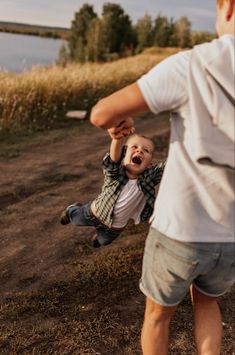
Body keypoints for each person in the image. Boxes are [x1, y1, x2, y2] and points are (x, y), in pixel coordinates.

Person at [89, 0, 235, 353]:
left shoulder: (193, 65)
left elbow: (101, 112)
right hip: (230, 237)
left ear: (226, 6)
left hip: (179, 231)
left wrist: (117, 124)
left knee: (158, 315)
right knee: (207, 303)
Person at [60, 131, 165, 248]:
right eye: (134, 147)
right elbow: (112, 159)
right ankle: (71, 210)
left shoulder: (149, 179)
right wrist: (117, 138)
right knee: (75, 219)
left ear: (149, 165)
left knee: (104, 241)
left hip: (114, 228)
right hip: (92, 214)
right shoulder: (115, 174)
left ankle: (99, 239)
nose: (139, 150)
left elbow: (168, 166)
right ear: (123, 156)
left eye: (146, 150)